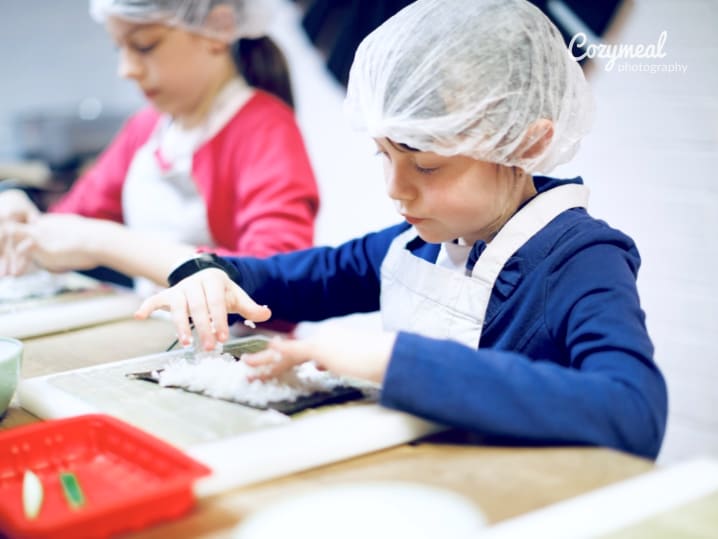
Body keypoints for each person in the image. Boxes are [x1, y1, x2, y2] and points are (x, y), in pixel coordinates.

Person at [135, 0, 668, 459]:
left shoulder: (582, 260)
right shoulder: (415, 246)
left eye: (426, 165)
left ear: (524, 145)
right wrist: (213, 274)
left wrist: (391, 361)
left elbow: (634, 411)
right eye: (383, 155)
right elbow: (288, 279)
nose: (395, 188)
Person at [0, 0, 318, 290]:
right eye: (119, 49)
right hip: (165, 333)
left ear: (218, 29)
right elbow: (71, 220)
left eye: (144, 46)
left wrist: (107, 243)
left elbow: (277, 278)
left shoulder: (264, 128)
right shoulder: (148, 128)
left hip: (240, 344)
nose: (126, 70)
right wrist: (18, 206)